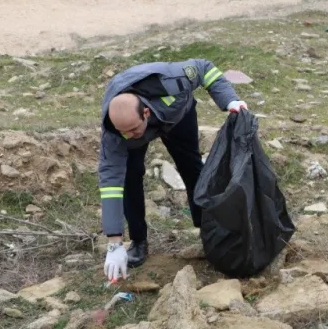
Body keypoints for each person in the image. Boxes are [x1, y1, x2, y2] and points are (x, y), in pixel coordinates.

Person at [99, 59, 247, 280]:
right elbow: (111, 183)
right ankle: (139, 241)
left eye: (132, 129)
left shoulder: (172, 80)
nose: (127, 135)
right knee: (130, 179)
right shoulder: (116, 133)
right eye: (123, 132)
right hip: (141, 127)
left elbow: (206, 68)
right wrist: (114, 242)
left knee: (192, 168)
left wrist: (230, 101)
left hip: (178, 116)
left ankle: (208, 231)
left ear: (146, 113)